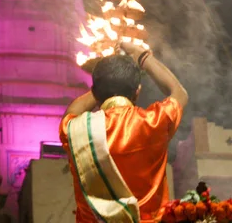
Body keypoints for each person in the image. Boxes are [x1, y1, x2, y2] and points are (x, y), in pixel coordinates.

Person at [59, 41, 189, 222]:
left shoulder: (76, 130)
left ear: (95, 93)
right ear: (137, 92)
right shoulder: (154, 122)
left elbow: (71, 112)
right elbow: (179, 93)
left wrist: (106, 79)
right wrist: (142, 56)